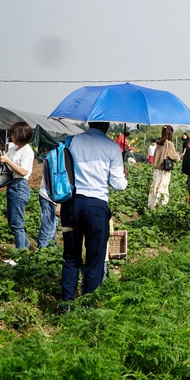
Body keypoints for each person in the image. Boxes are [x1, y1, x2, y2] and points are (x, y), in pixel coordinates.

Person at [60, 122, 127, 305]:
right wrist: (124, 176)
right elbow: (118, 185)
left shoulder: (73, 141)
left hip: (70, 206)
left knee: (71, 255)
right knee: (95, 257)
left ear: (89, 122)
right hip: (97, 208)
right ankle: (88, 304)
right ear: (106, 126)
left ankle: (67, 303)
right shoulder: (112, 147)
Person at [0, 122, 34, 250]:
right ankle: (26, 250)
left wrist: (8, 161)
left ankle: (21, 255)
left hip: (20, 186)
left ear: (21, 134)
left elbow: (23, 171)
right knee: (15, 222)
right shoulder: (14, 149)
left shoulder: (27, 150)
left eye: (13, 134)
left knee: (17, 224)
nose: (11, 136)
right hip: (12, 186)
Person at [147, 125, 180, 208]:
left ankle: (152, 206)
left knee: (155, 187)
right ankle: (161, 207)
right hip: (164, 170)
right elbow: (175, 157)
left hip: (156, 170)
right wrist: (179, 157)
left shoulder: (159, 143)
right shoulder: (169, 144)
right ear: (170, 133)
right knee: (162, 189)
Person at [37, 175, 58, 248]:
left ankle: (51, 251)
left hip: (50, 195)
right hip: (50, 197)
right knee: (48, 227)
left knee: (52, 226)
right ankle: (41, 252)